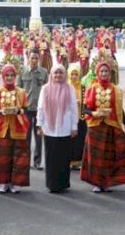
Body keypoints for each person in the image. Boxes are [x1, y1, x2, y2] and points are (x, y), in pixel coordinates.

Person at [81, 62, 125, 193]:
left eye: (106, 71)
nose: (103, 73)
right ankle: (96, 183)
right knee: (96, 157)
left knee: (110, 156)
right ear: (97, 73)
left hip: (111, 127)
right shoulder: (91, 88)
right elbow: (85, 109)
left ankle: (107, 183)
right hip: (95, 127)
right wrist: (94, 113)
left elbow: (120, 109)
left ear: (110, 73)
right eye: (101, 71)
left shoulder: (116, 90)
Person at [36, 65, 79, 193]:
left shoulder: (69, 89)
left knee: (64, 158)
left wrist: (74, 127)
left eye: (61, 73)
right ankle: (52, 185)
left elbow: (73, 109)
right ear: (51, 75)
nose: (58, 76)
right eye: (55, 73)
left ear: (64, 75)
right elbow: (41, 108)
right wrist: (39, 125)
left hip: (65, 129)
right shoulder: (45, 89)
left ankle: (63, 184)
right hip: (49, 129)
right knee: (51, 158)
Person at [0, 64, 30, 194]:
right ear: (3, 76)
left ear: (15, 77)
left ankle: (15, 183)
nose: (9, 78)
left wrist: (19, 110)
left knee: (18, 156)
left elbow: (26, 109)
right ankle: (4, 183)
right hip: (2, 129)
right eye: (7, 75)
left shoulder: (21, 92)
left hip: (18, 128)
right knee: (3, 157)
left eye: (12, 75)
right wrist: (1, 112)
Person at [17, 49, 48, 170]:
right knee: (26, 137)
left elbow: (47, 91)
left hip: (40, 109)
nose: (34, 60)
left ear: (39, 59)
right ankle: (25, 161)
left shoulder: (44, 72)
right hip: (26, 108)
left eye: (36, 58)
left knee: (39, 136)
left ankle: (37, 161)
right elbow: (18, 90)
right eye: (32, 58)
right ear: (28, 58)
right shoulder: (22, 71)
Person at [68, 64, 87, 170]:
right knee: (69, 141)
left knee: (79, 141)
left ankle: (78, 162)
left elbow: (87, 103)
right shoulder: (66, 87)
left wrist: (80, 103)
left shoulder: (83, 88)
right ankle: (69, 161)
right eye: (72, 74)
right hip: (69, 119)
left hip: (81, 117)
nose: (74, 76)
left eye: (76, 74)